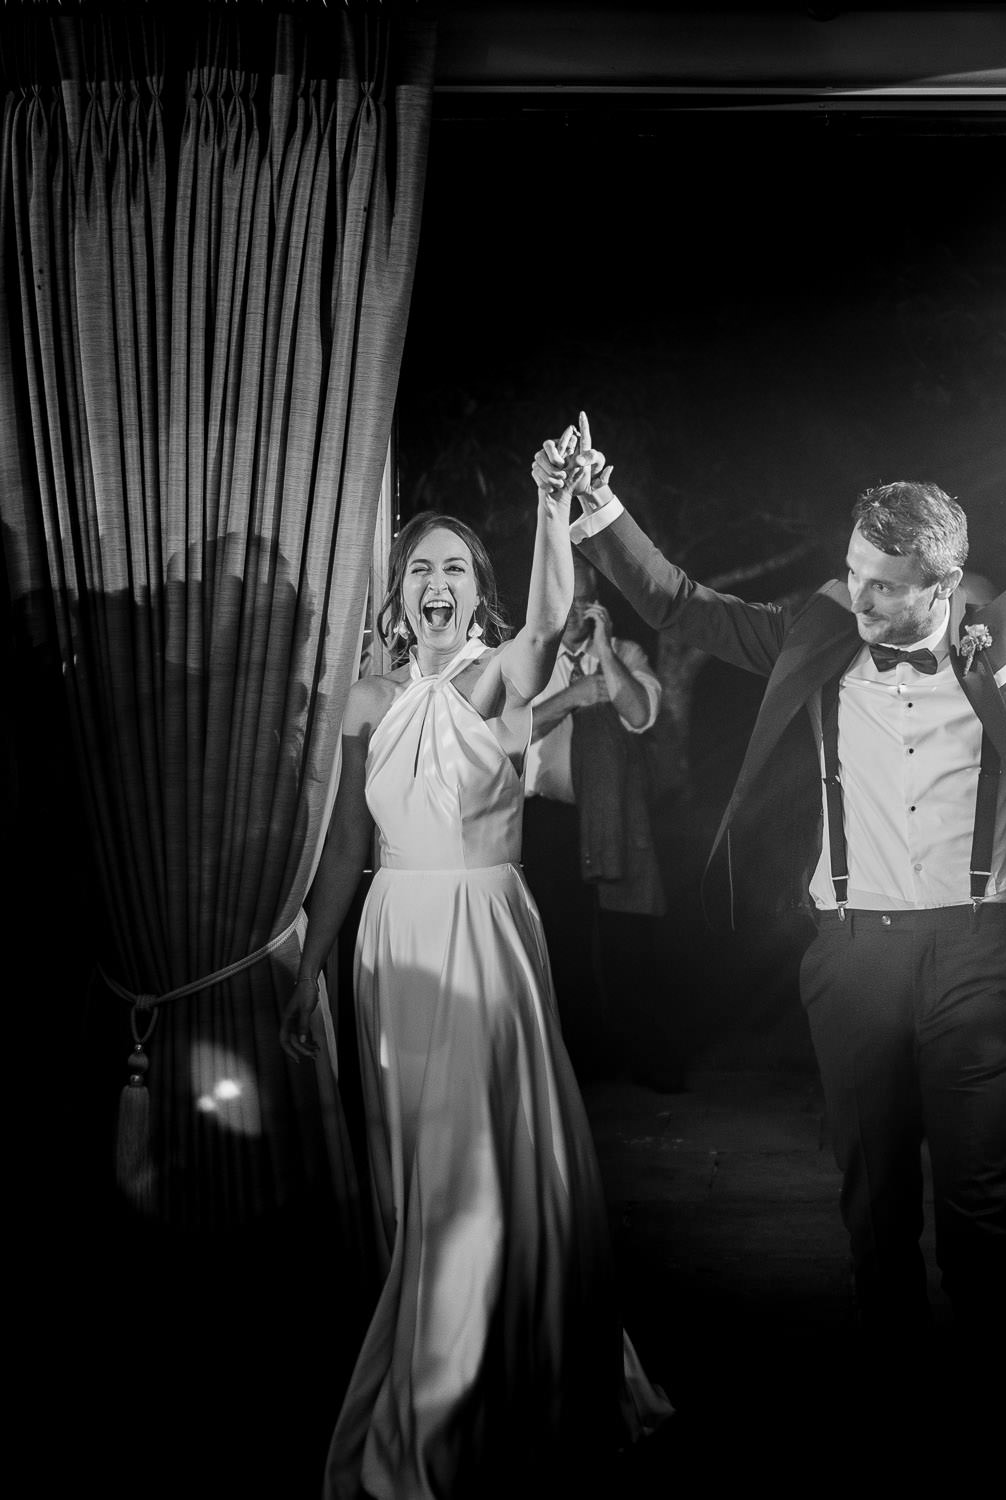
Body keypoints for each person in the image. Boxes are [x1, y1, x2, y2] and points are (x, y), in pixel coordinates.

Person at [534, 417, 1006, 1399]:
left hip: (978, 959)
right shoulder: (815, 625)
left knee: (983, 1225)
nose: (855, 594)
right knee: (876, 1214)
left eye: (882, 583)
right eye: (852, 569)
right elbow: (681, 605)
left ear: (945, 587)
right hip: (852, 957)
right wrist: (596, 505)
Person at [280, 417, 669, 1497]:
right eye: (420, 570)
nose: (436, 583)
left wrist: (554, 508)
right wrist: (312, 961)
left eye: (455, 568)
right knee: (422, 1177)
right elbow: (346, 846)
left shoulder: (500, 683)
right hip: (389, 949)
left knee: (482, 1169)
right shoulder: (362, 702)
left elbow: (548, 622)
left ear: (474, 590)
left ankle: (444, 1402)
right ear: (397, 594)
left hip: (484, 939)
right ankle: (453, 1358)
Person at [522, 556, 680, 1087]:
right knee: (562, 942)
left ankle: (639, 1057)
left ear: (596, 604)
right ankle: (579, 1065)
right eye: (563, 599)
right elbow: (506, 734)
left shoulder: (625, 652)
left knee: (624, 935)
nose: (571, 610)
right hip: (547, 822)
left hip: (613, 816)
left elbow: (640, 715)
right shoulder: (530, 661)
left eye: (582, 597)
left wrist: (605, 652)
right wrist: (571, 697)